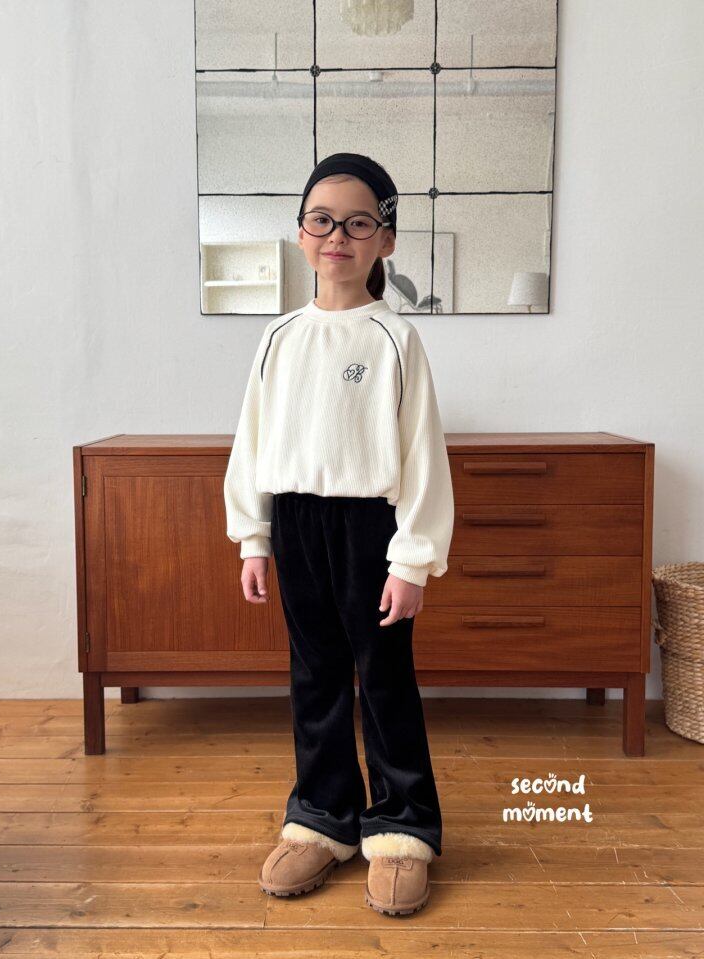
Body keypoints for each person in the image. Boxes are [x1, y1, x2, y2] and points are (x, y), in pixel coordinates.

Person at [223, 152, 454, 916]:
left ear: (385, 240)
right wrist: (254, 538)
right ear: (300, 233)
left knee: (383, 676)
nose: (338, 237)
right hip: (297, 521)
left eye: (358, 223)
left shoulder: (394, 339)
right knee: (315, 675)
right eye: (322, 221)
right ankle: (322, 817)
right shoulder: (279, 336)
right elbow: (252, 442)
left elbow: (422, 454)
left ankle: (402, 826)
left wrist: (412, 559)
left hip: (371, 527)